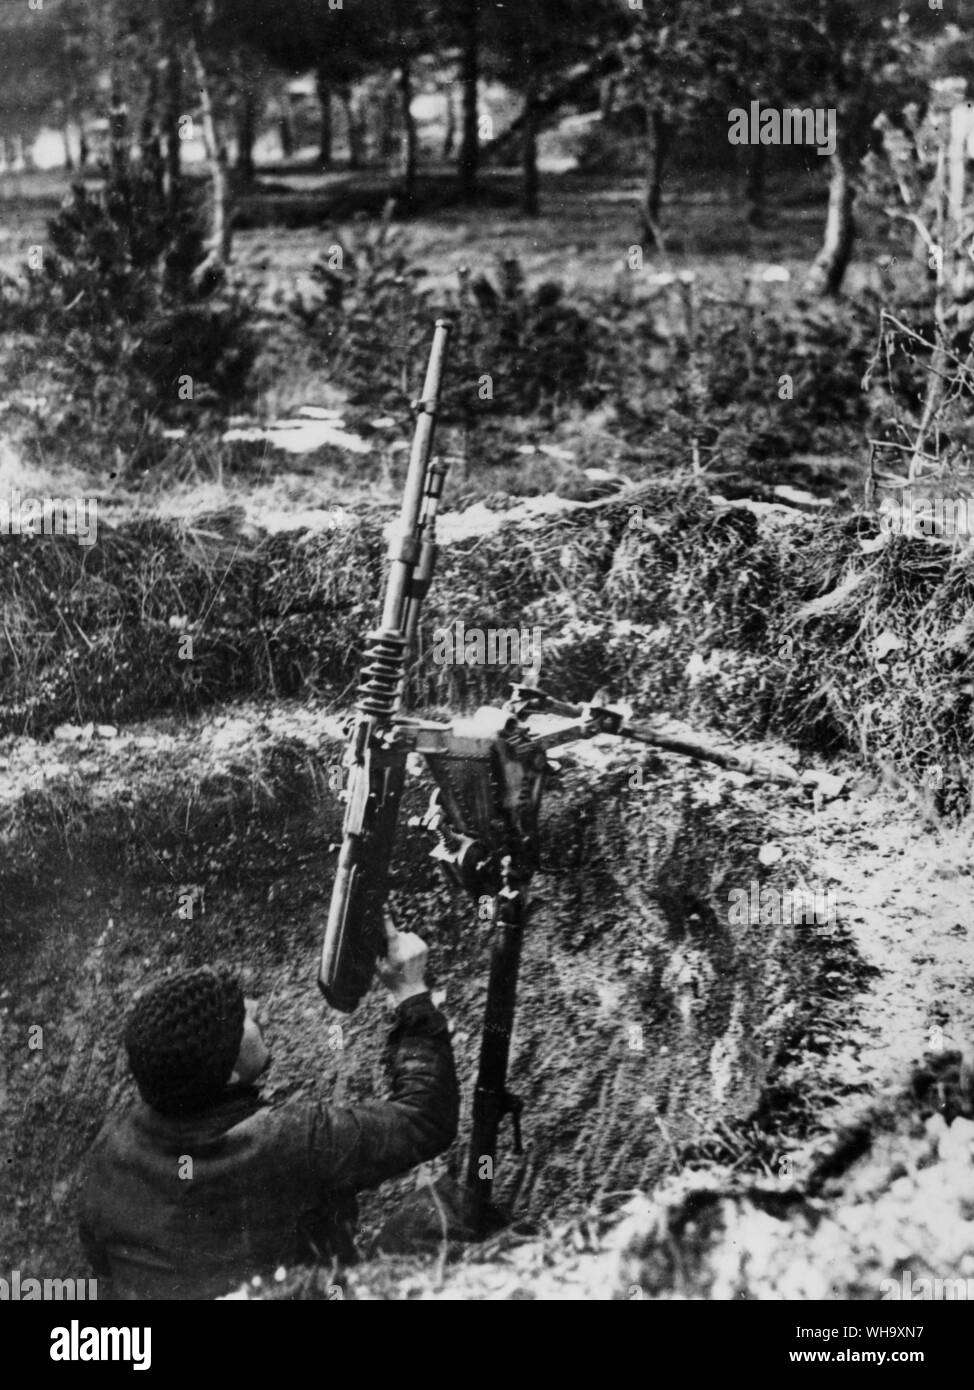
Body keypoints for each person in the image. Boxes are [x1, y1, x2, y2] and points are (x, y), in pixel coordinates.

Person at [79, 917, 459, 1299]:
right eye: (240, 1017)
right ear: (227, 1073)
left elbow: (104, 1269)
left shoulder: (109, 1153)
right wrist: (411, 994)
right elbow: (425, 1119)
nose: (256, 1008)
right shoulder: (283, 1142)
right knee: (448, 1210)